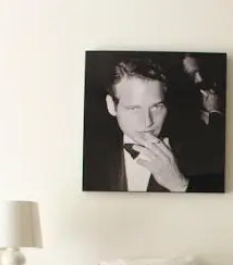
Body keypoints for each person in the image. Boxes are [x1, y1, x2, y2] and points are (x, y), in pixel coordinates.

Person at [82, 57, 224, 193]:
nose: (147, 122)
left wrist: (180, 185)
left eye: (156, 107)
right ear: (111, 106)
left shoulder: (201, 151)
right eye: (134, 109)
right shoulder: (88, 156)